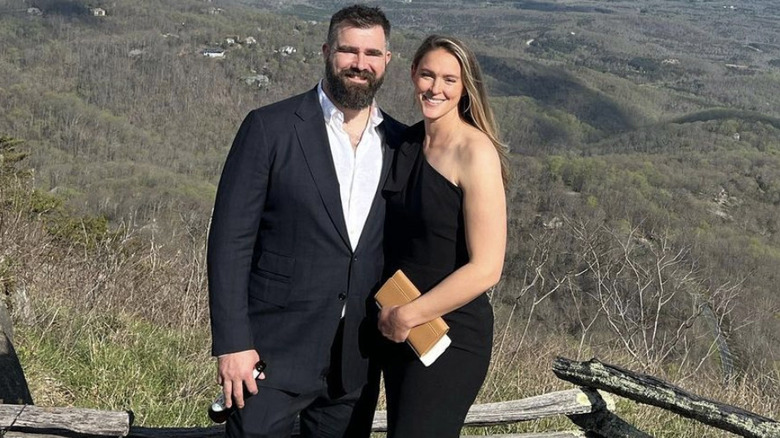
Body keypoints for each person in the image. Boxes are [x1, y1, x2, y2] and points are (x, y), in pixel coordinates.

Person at [207, 5, 406, 437]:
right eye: (348, 50)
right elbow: (229, 243)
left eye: (372, 53)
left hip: (356, 359)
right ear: (326, 52)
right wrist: (232, 345)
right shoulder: (269, 128)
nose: (360, 63)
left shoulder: (399, 142)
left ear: (387, 61)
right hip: (270, 351)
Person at [377, 34, 509, 437]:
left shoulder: (475, 152)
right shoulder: (406, 143)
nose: (436, 88)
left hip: (449, 333)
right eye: (428, 75)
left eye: (450, 80)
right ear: (413, 74)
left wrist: (410, 315)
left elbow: (487, 268)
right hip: (397, 324)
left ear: (466, 86)